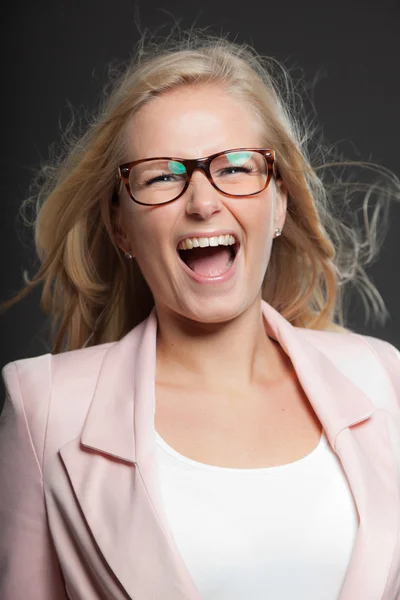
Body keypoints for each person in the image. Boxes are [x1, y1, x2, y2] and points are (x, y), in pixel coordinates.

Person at [0, 29, 399, 600]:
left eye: (236, 168)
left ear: (278, 201)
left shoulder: (382, 381)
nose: (203, 201)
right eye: (163, 175)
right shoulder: (43, 409)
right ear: (122, 228)